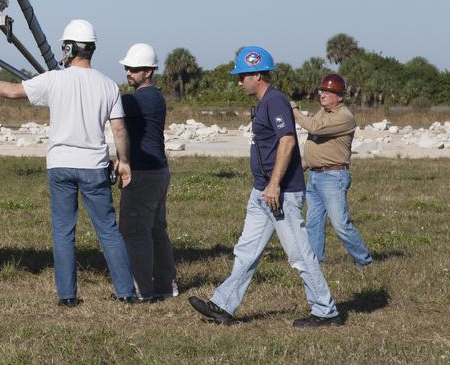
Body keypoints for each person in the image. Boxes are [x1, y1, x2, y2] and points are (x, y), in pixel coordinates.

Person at [0, 19, 137, 305]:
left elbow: (12, 91)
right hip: (93, 166)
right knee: (108, 231)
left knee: (64, 232)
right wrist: (123, 161)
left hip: (61, 164)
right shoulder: (108, 86)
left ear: (69, 47)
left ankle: (67, 296)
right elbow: (119, 130)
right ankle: (126, 292)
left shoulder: (54, 79)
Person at [189, 46, 342, 328]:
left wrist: (274, 184)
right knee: (246, 250)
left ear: (257, 74)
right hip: (262, 192)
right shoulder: (265, 103)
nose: (238, 81)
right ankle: (223, 304)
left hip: (280, 193)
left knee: (298, 254)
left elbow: (287, 141)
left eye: (242, 76)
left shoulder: (275, 102)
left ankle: (325, 310)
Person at [293, 73, 373, 267]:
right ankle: (315, 262)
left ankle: (364, 261)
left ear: (340, 96)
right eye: (322, 91)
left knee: (340, 225)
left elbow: (315, 128)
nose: (323, 95)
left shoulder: (345, 117)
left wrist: (293, 110)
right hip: (314, 175)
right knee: (313, 223)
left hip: (333, 176)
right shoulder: (324, 112)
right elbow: (316, 135)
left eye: (329, 92)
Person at [118, 43, 177, 301]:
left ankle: (143, 289)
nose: (129, 72)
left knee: (135, 231)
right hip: (159, 170)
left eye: (134, 69)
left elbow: (110, 108)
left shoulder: (138, 100)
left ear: (149, 72)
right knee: (156, 230)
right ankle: (166, 285)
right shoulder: (155, 97)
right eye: (127, 68)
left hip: (143, 173)